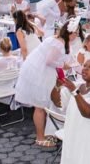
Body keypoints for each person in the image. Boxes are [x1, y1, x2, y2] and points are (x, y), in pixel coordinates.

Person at [15, 19, 82, 149]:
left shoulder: (59, 40)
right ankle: (40, 138)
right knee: (39, 106)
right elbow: (49, 61)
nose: (77, 35)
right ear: (70, 32)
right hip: (39, 72)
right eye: (76, 32)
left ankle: (44, 133)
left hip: (40, 70)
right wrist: (64, 65)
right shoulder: (59, 43)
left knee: (41, 105)